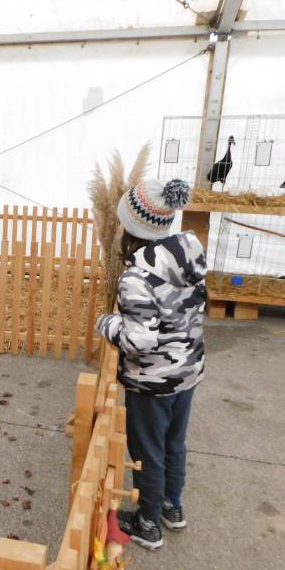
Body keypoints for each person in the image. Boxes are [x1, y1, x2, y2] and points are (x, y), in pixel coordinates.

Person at [96, 178, 206, 550]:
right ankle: (172, 507)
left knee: (148, 453)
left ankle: (147, 524)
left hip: (153, 381)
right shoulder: (189, 255)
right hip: (187, 373)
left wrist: (108, 324)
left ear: (130, 227)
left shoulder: (137, 276)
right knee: (174, 443)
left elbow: (139, 340)